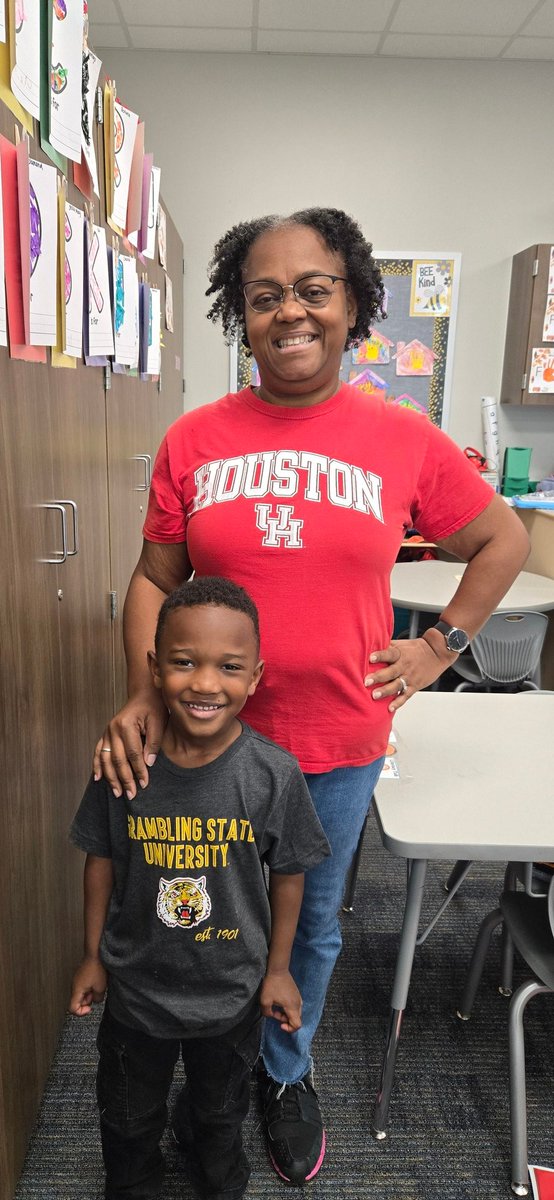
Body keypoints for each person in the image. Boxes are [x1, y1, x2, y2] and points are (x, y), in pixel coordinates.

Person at [94, 207, 530, 1187]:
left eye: (312, 289)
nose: (288, 311)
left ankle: (283, 1071)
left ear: (352, 304)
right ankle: (200, 1062)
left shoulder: (401, 439)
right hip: (203, 741)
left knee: (313, 922)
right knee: (194, 906)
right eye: (264, 296)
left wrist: (440, 646)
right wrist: (139, 692)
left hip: (334, 742)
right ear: (239, 315)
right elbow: (155, 578)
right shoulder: (195, 439)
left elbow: (501, 540)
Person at [71, 576, 330, 1200]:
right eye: (185, 662)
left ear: (256, 676)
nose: (206, 683)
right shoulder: (124, 764)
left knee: (219, 1118)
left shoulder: (272, 773)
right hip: (137, 993)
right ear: (155, 668)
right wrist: (92, 956)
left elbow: (289, 874)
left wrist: (278, 970)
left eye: (229, 667)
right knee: (128, 1120)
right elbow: (100, 859)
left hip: (230, 994)